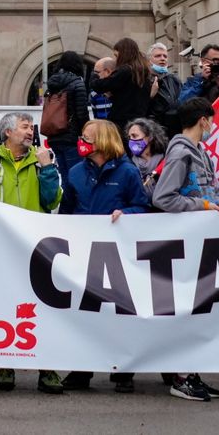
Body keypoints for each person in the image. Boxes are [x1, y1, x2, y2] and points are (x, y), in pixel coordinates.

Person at [0, 112, 63, 395]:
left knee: (41, 308)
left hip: (36, 244)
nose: (30, 131)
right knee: (4, 306)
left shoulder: (43, 161)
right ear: (7, 132)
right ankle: (7, 364)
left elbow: (53, 199)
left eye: (31, 127)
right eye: (24, 126)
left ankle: (47, 368)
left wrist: (47, 168)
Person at [150, 96, 219, 403]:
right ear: (203, 121)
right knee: (187, 309)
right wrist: (204, 205)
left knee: (199, 309)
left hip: (200, 240)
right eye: (210, 120)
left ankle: (190, 373)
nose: (212, 126)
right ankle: (180, 377)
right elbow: (164, 198)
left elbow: (210, 188)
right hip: (185, 244)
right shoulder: (180, 154)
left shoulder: (199, 152)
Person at [59, 118, 147, 394]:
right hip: (84, 250)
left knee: (121, 312)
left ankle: (123, 371)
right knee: (85, 312)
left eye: (87, 138)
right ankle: (82, 369)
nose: (81, 143)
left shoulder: (128, 172)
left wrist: (127, 215)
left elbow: (143, 208)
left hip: (119, 253)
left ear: (103, 141)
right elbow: (66, 212)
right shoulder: (74, 172)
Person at [91, 37, 152, 133]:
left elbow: (99, 86)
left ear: (123, 54)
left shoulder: (125, 70)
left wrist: (94, 74)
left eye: (116, 55)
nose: (115, 60)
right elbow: (129, 97)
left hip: (121, 123)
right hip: (139, 123)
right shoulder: (143, 73)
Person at [40, 58, 90, 171]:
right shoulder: (78, 84)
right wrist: (87, 133)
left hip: (54, 137)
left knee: (64, 173)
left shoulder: (52, 84)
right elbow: (82, 113)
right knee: (76, 173)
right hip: (71, 137)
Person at [124, 117, 166, 199]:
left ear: (150, 137)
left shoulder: (166, 160)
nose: (131, 140)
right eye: (129, 137)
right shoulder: (128, 164)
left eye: (134, 136)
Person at [148, 42, 181, 126]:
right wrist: (150, 95)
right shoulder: (144, 79)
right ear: (149, 60)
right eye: (158, 56)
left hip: (174, 125)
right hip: (154, 126)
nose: (162, 58)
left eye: (165, 56)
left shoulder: (174, 79)